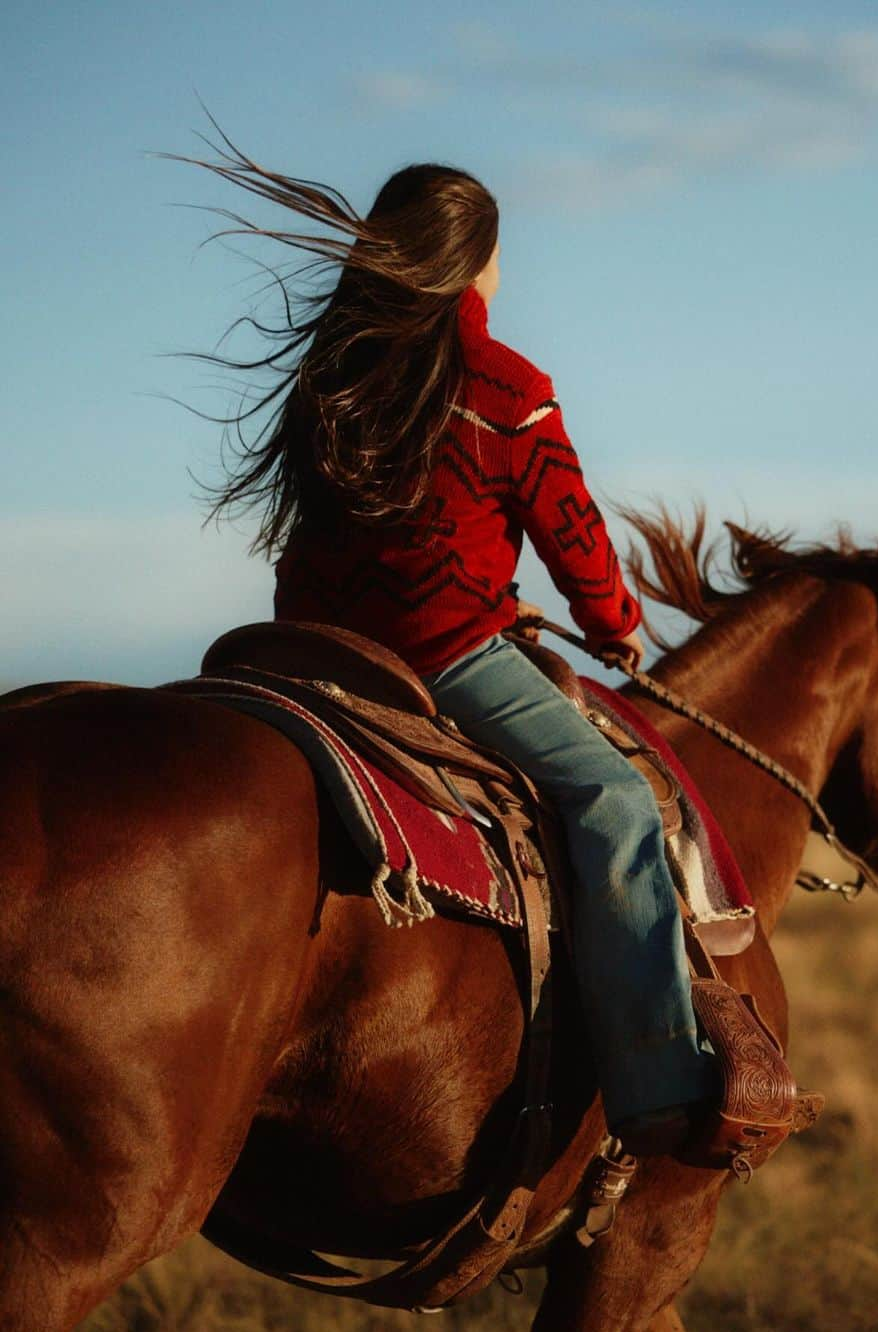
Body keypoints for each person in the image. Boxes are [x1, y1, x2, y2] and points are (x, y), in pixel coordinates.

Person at [196, 150, 739, 1163]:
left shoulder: (334, 376)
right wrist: (615, 619)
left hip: (300, 652)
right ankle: (661, 1087)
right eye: (497, 259)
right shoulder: (503, 385)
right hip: (440, 653)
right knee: (613, 801)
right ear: (474, 263)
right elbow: (571, 529)